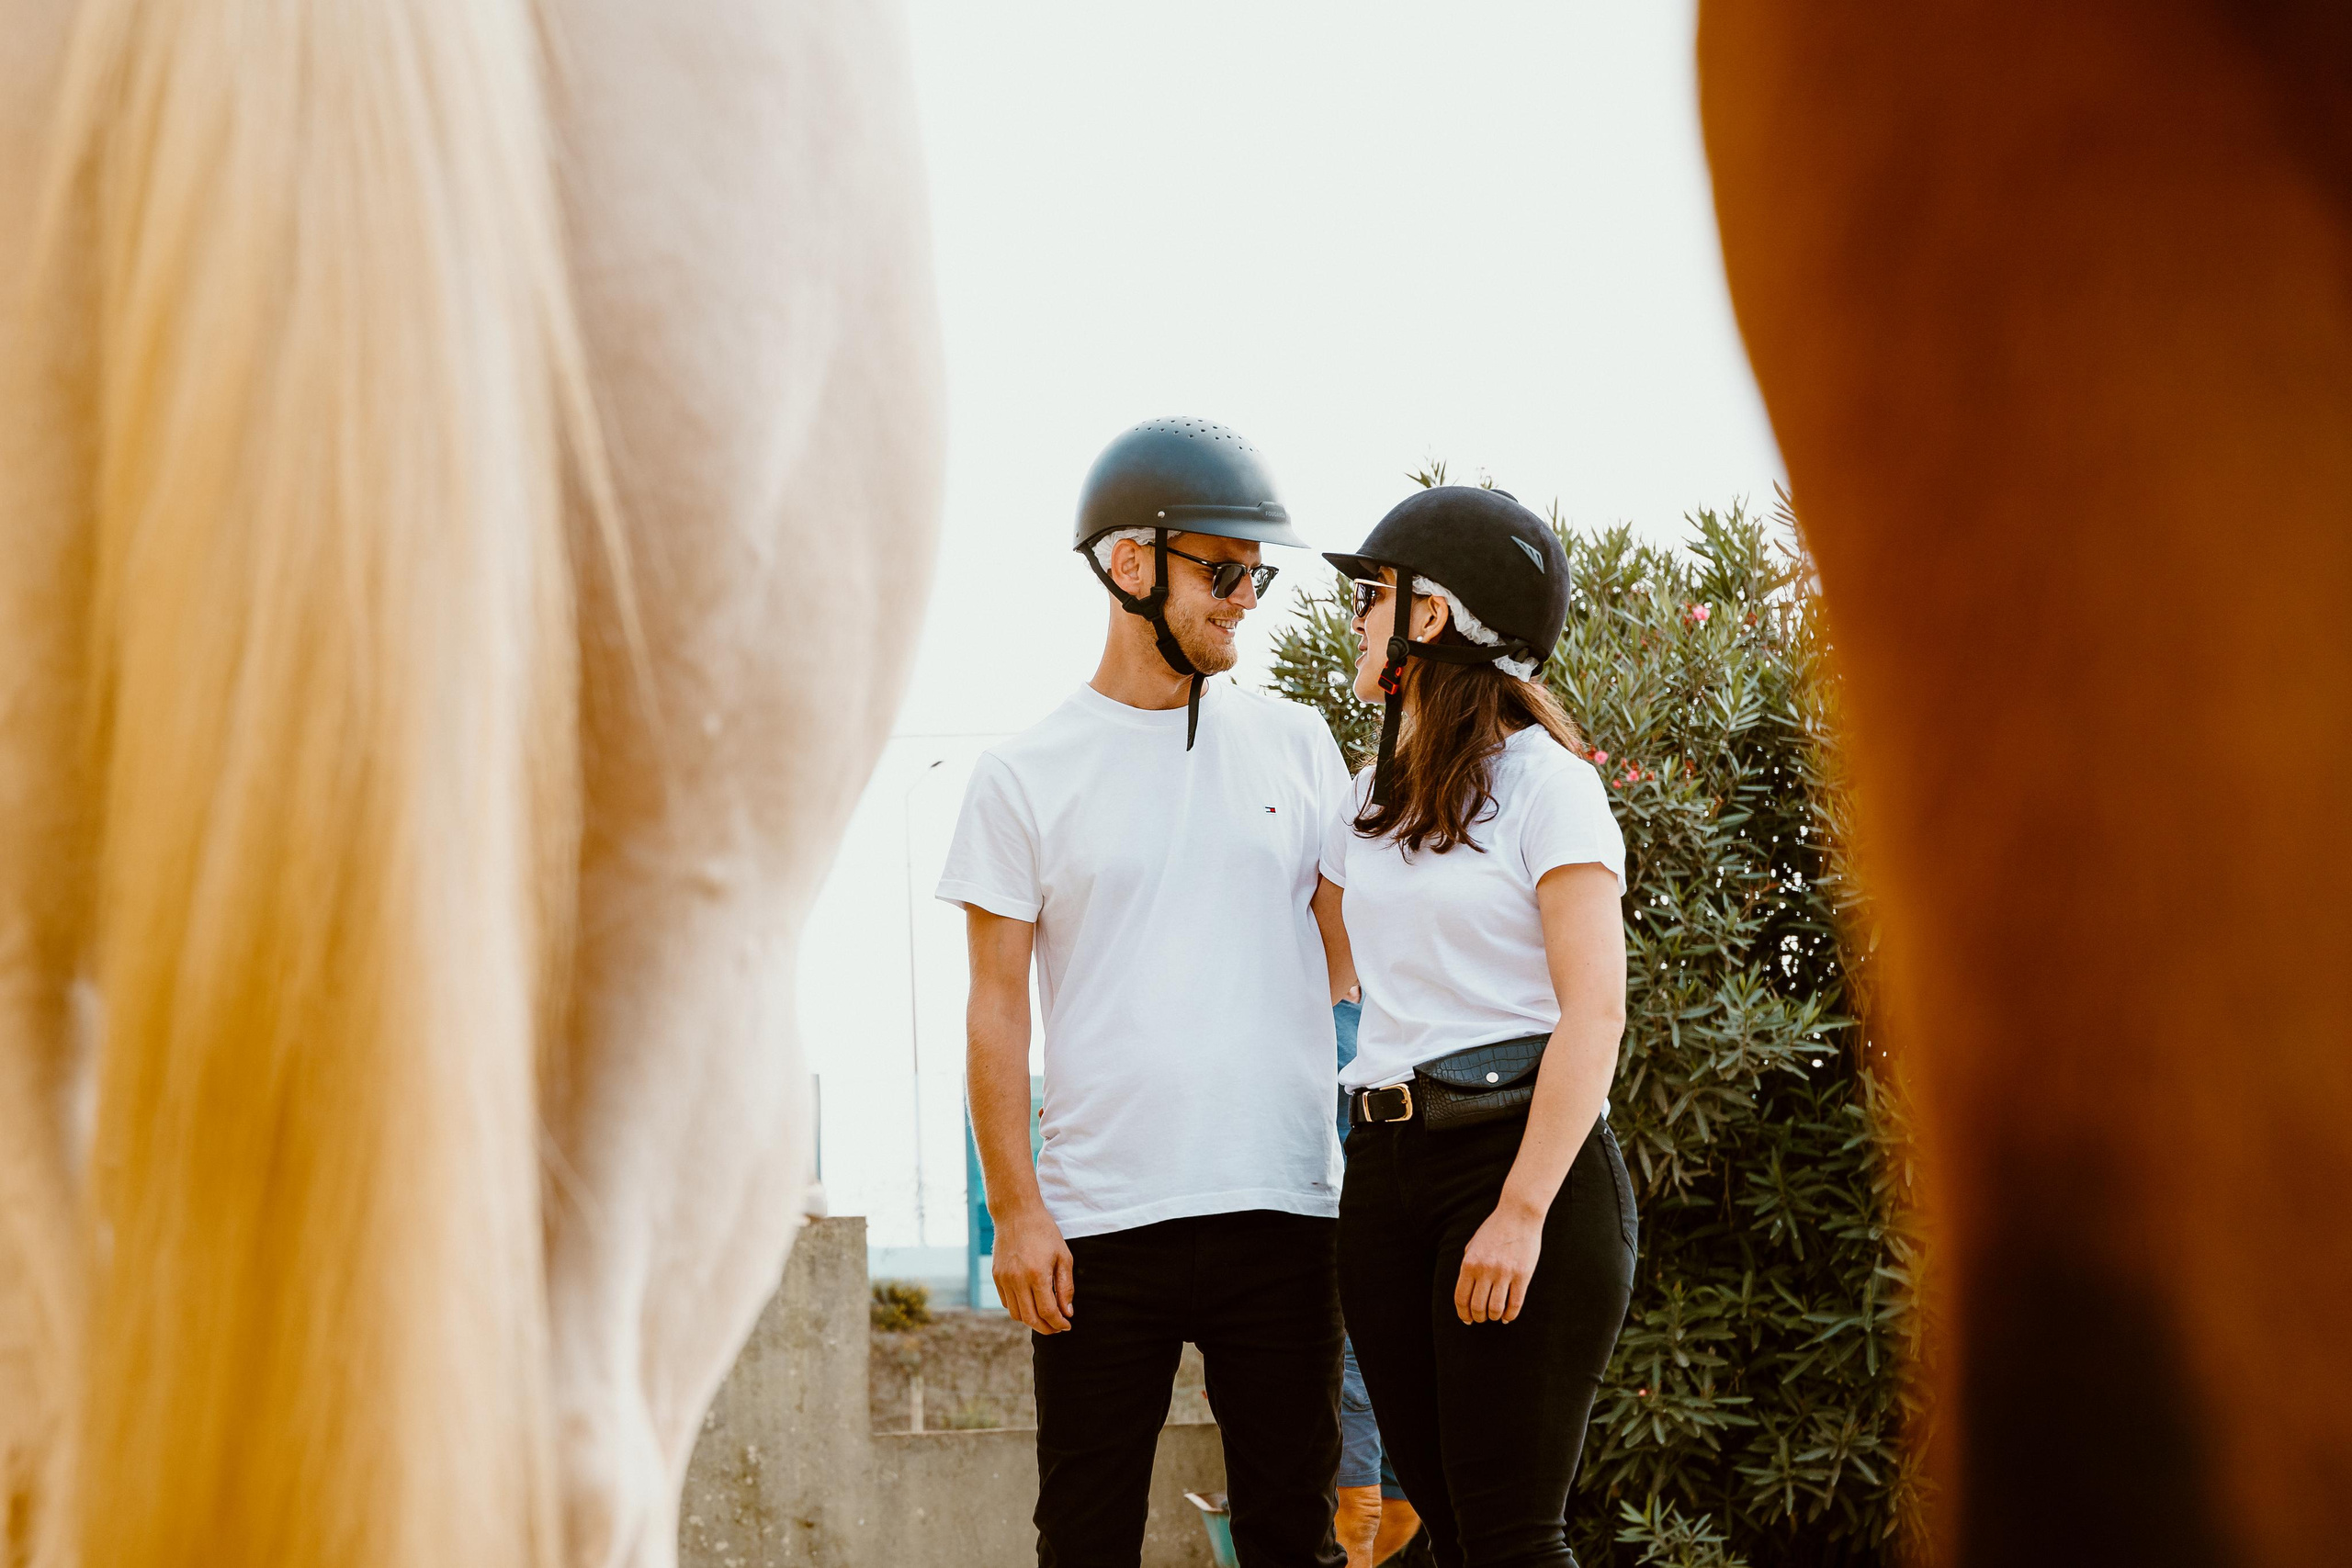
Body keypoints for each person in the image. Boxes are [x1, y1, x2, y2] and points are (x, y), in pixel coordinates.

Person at [940, 417, 1355, 1568]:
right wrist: (1016, 1210)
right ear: (1131, 566)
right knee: (1083, 1540)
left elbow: (1354, 949)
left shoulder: (1298, 742)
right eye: (1223, 571)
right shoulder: (1022, 775)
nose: (1245, 599)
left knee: (1293, 1537)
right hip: (1096, 1225)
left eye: (1257, 574)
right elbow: (996, 1007)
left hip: (1282, 1203)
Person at [1317, 486, 1638, 1568]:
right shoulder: (1368, 800)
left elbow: (1594, 1012)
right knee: (1449, 1535)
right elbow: (1310, 966)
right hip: (1385, 1174)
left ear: (1430, 616)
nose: (1355, 617)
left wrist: (1519, 1212)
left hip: (1513, 1162)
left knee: (1508, 1540)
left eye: (1371, 596)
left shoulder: (1553, 792)